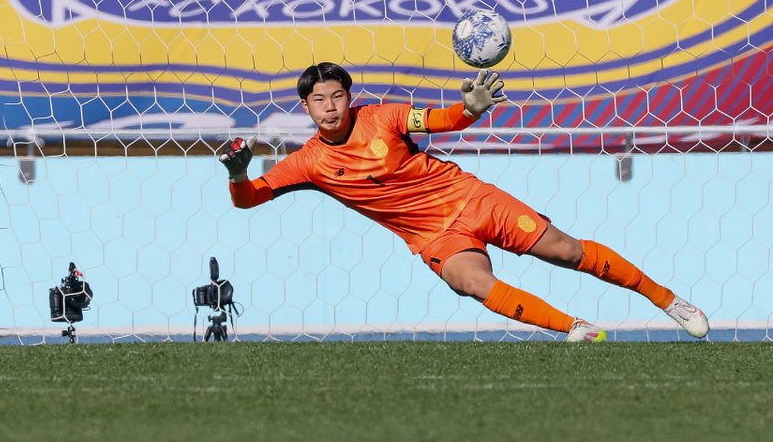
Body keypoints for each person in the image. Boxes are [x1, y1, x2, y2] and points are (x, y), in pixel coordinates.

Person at [219, 62, 709, 342]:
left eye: (338, 96)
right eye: (319, 100)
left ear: (350, 98)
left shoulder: (384, 117)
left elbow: (437, 119)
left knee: (565, 251)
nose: (330, 107)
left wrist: (470, 108)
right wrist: (239, 176)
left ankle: (668, 300)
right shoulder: (308, 162)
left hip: (471, 199)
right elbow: (248, 201)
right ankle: (575, 330)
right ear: (304, 108)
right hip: (434, 235)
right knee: (470, 281)